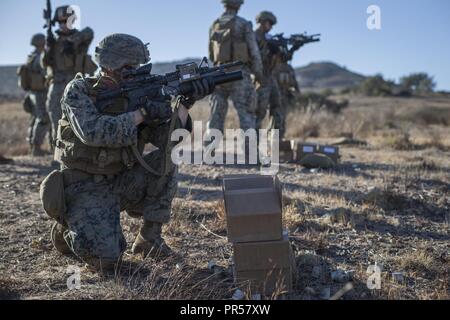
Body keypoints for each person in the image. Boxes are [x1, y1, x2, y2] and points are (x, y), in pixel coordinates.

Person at [41, 34, 214, 271]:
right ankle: (66, 229)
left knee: (166, 161)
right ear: (110, 65)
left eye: (137, 66)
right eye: (130, 66)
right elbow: (93, 132)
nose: (136, 70)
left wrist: (184, 105)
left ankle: (149, 239)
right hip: (83, 187)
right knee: (107, 261)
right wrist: (141, 113)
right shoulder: (80, 90)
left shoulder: (139, 94)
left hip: (121, 181)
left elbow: (167, 141)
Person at [41, 5, 96, 149]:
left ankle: (77, 154)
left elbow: (89, 32)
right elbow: (44, 63)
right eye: (60, 22)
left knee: (79, 120)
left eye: (67, 21)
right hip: (57, 85)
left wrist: (72, 41)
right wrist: (48, 47)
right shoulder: (53, 41)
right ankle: (57, 154)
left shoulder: (80, 39)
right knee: (56, 120)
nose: (63, 25)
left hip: (76, 84)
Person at [207, 0, 263, 138]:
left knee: (215, 116)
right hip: (239, 74)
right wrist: (259, 75)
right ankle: (250, 156)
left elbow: (210, 54)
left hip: (218, 74)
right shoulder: (243, 24)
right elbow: (254, 52)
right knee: (246, 114)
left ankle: (209, 153)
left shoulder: (215, 24)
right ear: (238, 6)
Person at [254, 11, 286, 139]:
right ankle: (252, 147)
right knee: (259, 112)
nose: (271, 27)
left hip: (270, 77)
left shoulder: (269, 38)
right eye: (269, 23)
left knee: (277, 109)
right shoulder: (252, 36)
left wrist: (283, 51)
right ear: (262, 21)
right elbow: (252, 58)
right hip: (259, 78)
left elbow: (280, 60)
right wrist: (267, 49)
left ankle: (273, 142)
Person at [17, 33, 50, 156]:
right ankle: (36, 147)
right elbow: (44, 72)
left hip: (33, 92)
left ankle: (33, 146)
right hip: (40, 93)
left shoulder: (31, 56)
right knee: (43, 118)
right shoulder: (39, 56)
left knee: (35, 118)